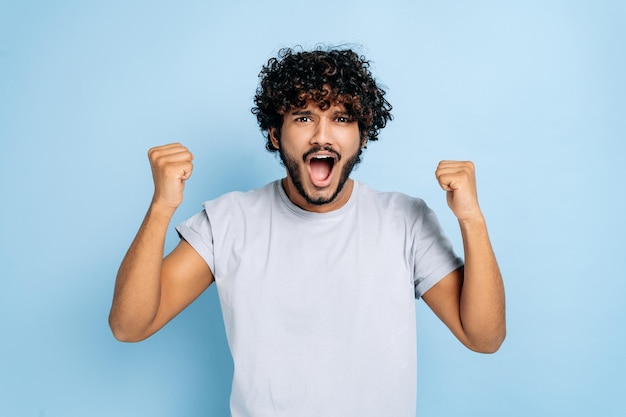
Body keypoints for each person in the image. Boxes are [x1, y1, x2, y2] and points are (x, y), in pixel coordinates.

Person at [109, 47, 505, 417]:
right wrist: (162, 207)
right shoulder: (229, 221)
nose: (321, 134)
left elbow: (484, 338)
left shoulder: (404, 220)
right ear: (275, 134)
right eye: (303, 117)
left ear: (362, 136)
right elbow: (130, 326)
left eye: (341, 118)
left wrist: (472, 219)